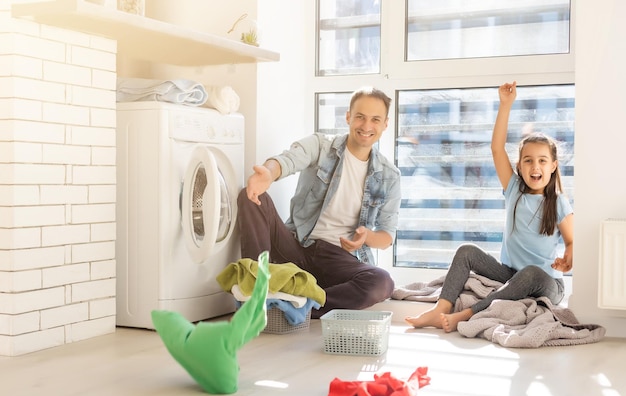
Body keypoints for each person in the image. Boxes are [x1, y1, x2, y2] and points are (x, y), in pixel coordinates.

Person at [405, 81, 574, 332]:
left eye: (542, 161)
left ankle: (467, 313)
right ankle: (440, 308)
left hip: (547, 283)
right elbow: (496, 149)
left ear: (553, 166)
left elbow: (572, 241)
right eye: (528, 161)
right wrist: (505, 105)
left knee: (529, 273)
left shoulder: (558, 201)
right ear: (519, 166)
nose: (535, 167)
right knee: (466, 251)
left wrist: (568, 259)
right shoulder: (514, 190)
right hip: (510, 274)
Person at [237, 86, 401, 318]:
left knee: (381, 282)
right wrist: (268, 173)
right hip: (297, 246)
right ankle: (256, 291)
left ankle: (302, 304)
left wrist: (367, 238)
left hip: (339, 259)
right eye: (360, 117)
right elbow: (287, 160)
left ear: (385, 124)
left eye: (375, 119)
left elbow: (387, 235)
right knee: (252, 196)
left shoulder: (389, 176)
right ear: (348, 117)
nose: (366, 126)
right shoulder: (322, 146)